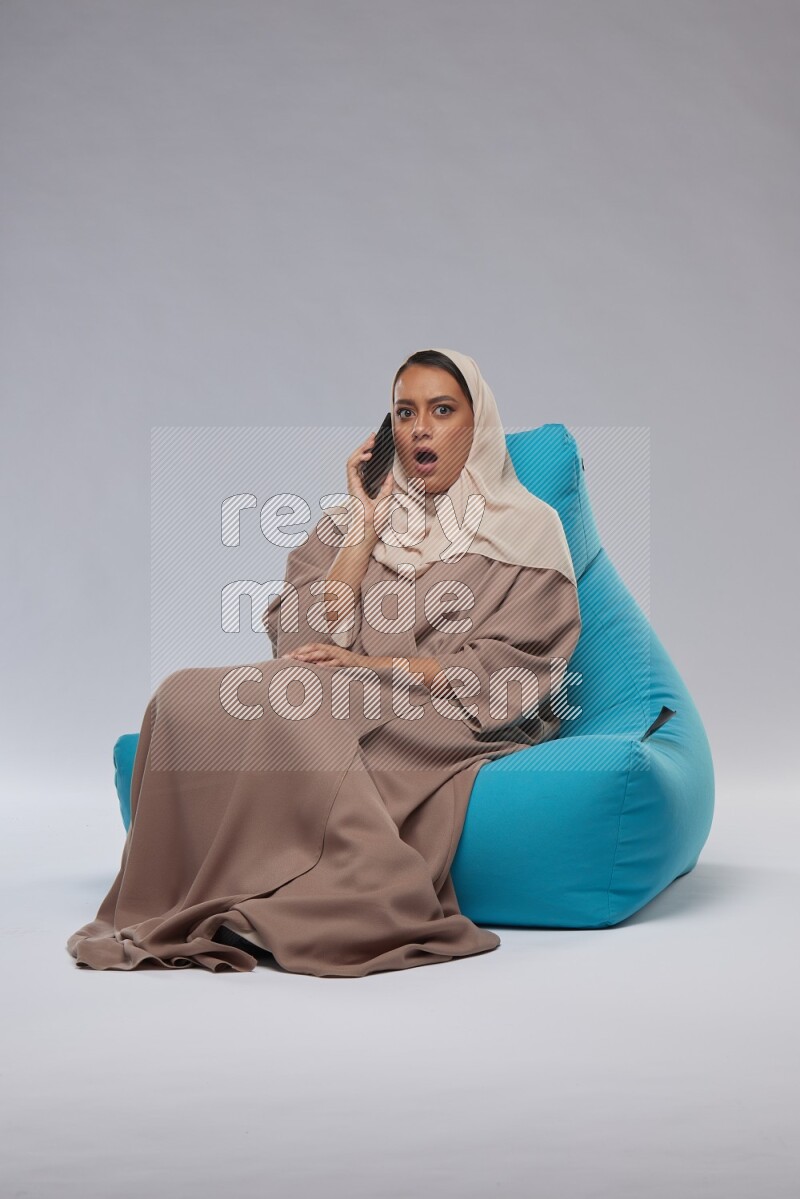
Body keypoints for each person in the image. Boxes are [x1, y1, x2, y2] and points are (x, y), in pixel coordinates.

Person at [66, 347, 582, 976]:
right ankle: (189, 888)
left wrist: (367, 668)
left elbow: (509, 675)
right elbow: (300, 644)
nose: (420, 428)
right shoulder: (347, 525)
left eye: (442, 411)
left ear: (478, 427)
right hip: (337, 696)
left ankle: (328, 893)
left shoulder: (527, 529)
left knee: (302, 707)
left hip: (445, 709)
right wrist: (362, 531)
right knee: (183, 694)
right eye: (405, 413)